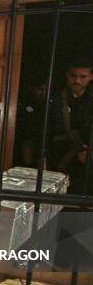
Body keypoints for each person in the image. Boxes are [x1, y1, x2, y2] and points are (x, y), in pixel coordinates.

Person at [50, 57, 93, 195]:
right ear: (67, 75)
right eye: (74, 76)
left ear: (91, 77)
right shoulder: (55, 97)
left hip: (86, 159)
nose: (77, 80)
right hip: (58, 155)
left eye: (82, 76)